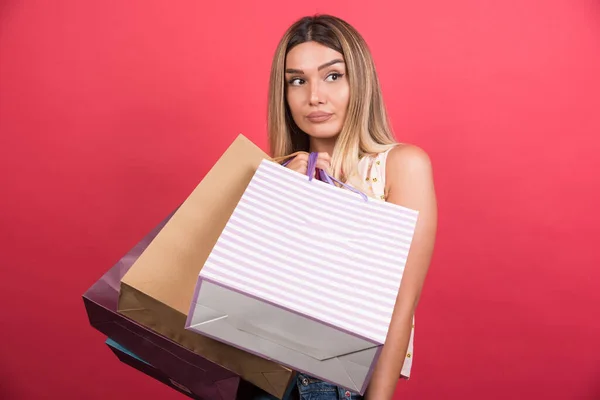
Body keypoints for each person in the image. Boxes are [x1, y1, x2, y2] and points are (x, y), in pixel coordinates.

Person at [241, 14, 438, 400]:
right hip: (256, 377)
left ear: (359, 82)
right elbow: (238, 292)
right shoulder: (274, 174)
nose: (314, 95)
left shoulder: (399, 166)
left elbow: (401, 303)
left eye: (333, 76)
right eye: (297, 80)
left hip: (336, 386)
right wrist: (281, 196)